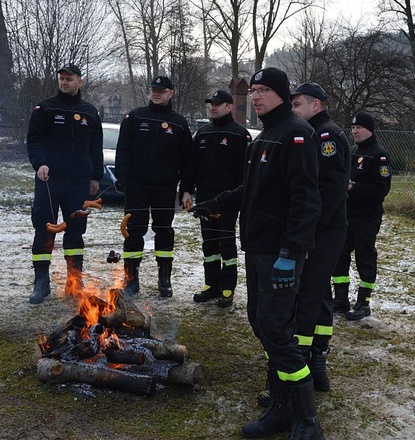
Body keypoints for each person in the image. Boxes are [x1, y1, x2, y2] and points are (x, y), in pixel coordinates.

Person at [191, 68, 325, 439]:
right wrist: (212, 203)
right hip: (258, 247)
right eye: (253, 90)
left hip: (280, 253)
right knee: (262, 325)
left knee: (278, 333)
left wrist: (290, 252)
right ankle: (281, 408)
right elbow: (249, 190)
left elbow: (307, 201)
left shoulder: (298, 135)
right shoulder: (264, 136)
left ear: (282, 94)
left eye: (264, 90)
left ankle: (308, 421)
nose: (256, 96)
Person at [289, 82, 350, 391]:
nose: (293, 110)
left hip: (325, 229)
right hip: (321, 228)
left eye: (298, 105)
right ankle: (317, 360)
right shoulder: (313, 133)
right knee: (320, 293)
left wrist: (309, 228)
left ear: (316, 105)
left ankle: (305, 362)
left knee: (309, 294)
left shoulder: (327, 136)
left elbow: (332, 189)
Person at [26, 63, 104, 304]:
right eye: (61, 78)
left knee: (76, 231)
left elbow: (95, 148)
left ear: (79, 81)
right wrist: (40, 164)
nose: (64, 82)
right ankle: (42, 282)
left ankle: (74, 281)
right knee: (45, 229)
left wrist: (95, 177)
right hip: (50, 181)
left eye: (69, 79)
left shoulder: (90, 112)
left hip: (79, 182)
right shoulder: (45, 108)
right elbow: (34, 140)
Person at [114, 75, 192, 298]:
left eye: (161, 90)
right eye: (153, 89)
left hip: (165, 187)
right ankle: (131, 279)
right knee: (133, 231)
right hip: (137, 186)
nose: (156, 93)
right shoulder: (135, 117)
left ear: (170, 94)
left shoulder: (179, 123)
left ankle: (164, 280)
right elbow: (123, 150)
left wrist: (186, 187)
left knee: (164, 232)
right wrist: (122, 177)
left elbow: (188, 160)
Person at [183, 89, 251, 308]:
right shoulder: (203, 132)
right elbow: (191, 165)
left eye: (218, 104)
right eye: (211, 103)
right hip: (204, 197)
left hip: (228, 200)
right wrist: (186, 189)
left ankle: (227, 287)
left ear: (230, 107)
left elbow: (245, 172)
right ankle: (211, 284)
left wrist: (238, 197)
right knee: (209, 244)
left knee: (227, 244)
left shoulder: (240, 134)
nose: (213, 107)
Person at [332, 112, 391, 321]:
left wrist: (353, 188)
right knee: (339, 256)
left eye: (359, 128)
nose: (355, 131)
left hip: (367, 218)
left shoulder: (379, 156)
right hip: (346, 215)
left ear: (370, 130)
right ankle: (339, 300)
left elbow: (381, 190)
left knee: (365, 258)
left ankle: (363, 302)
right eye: (353, 128)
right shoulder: (352, 151)